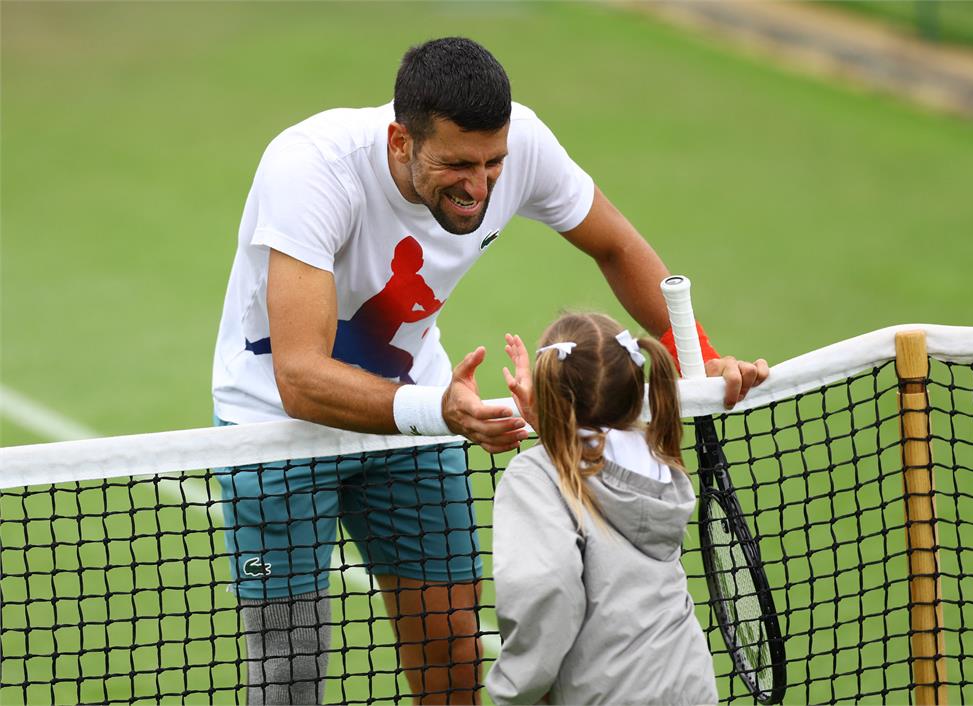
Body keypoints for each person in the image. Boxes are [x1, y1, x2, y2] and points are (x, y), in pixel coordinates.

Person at [211, 36, 767, 705]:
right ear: (399, 141)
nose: (478, 187)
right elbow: (298, 378)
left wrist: (697, 359)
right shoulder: (309, 171)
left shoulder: (523, 145)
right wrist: (438, 411)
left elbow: (617, 243)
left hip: (416, 418)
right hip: (275, 430)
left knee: (452, 648)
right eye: (457, 165)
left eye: (492, 164)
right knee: (288, 674)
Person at [485, 313, 718, 705]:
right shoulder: (660, 458)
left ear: (545, 393)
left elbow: (544, 585)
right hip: (689, 686)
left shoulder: (536, 476)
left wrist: (514, 691)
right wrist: (547, 420)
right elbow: (592, 459)